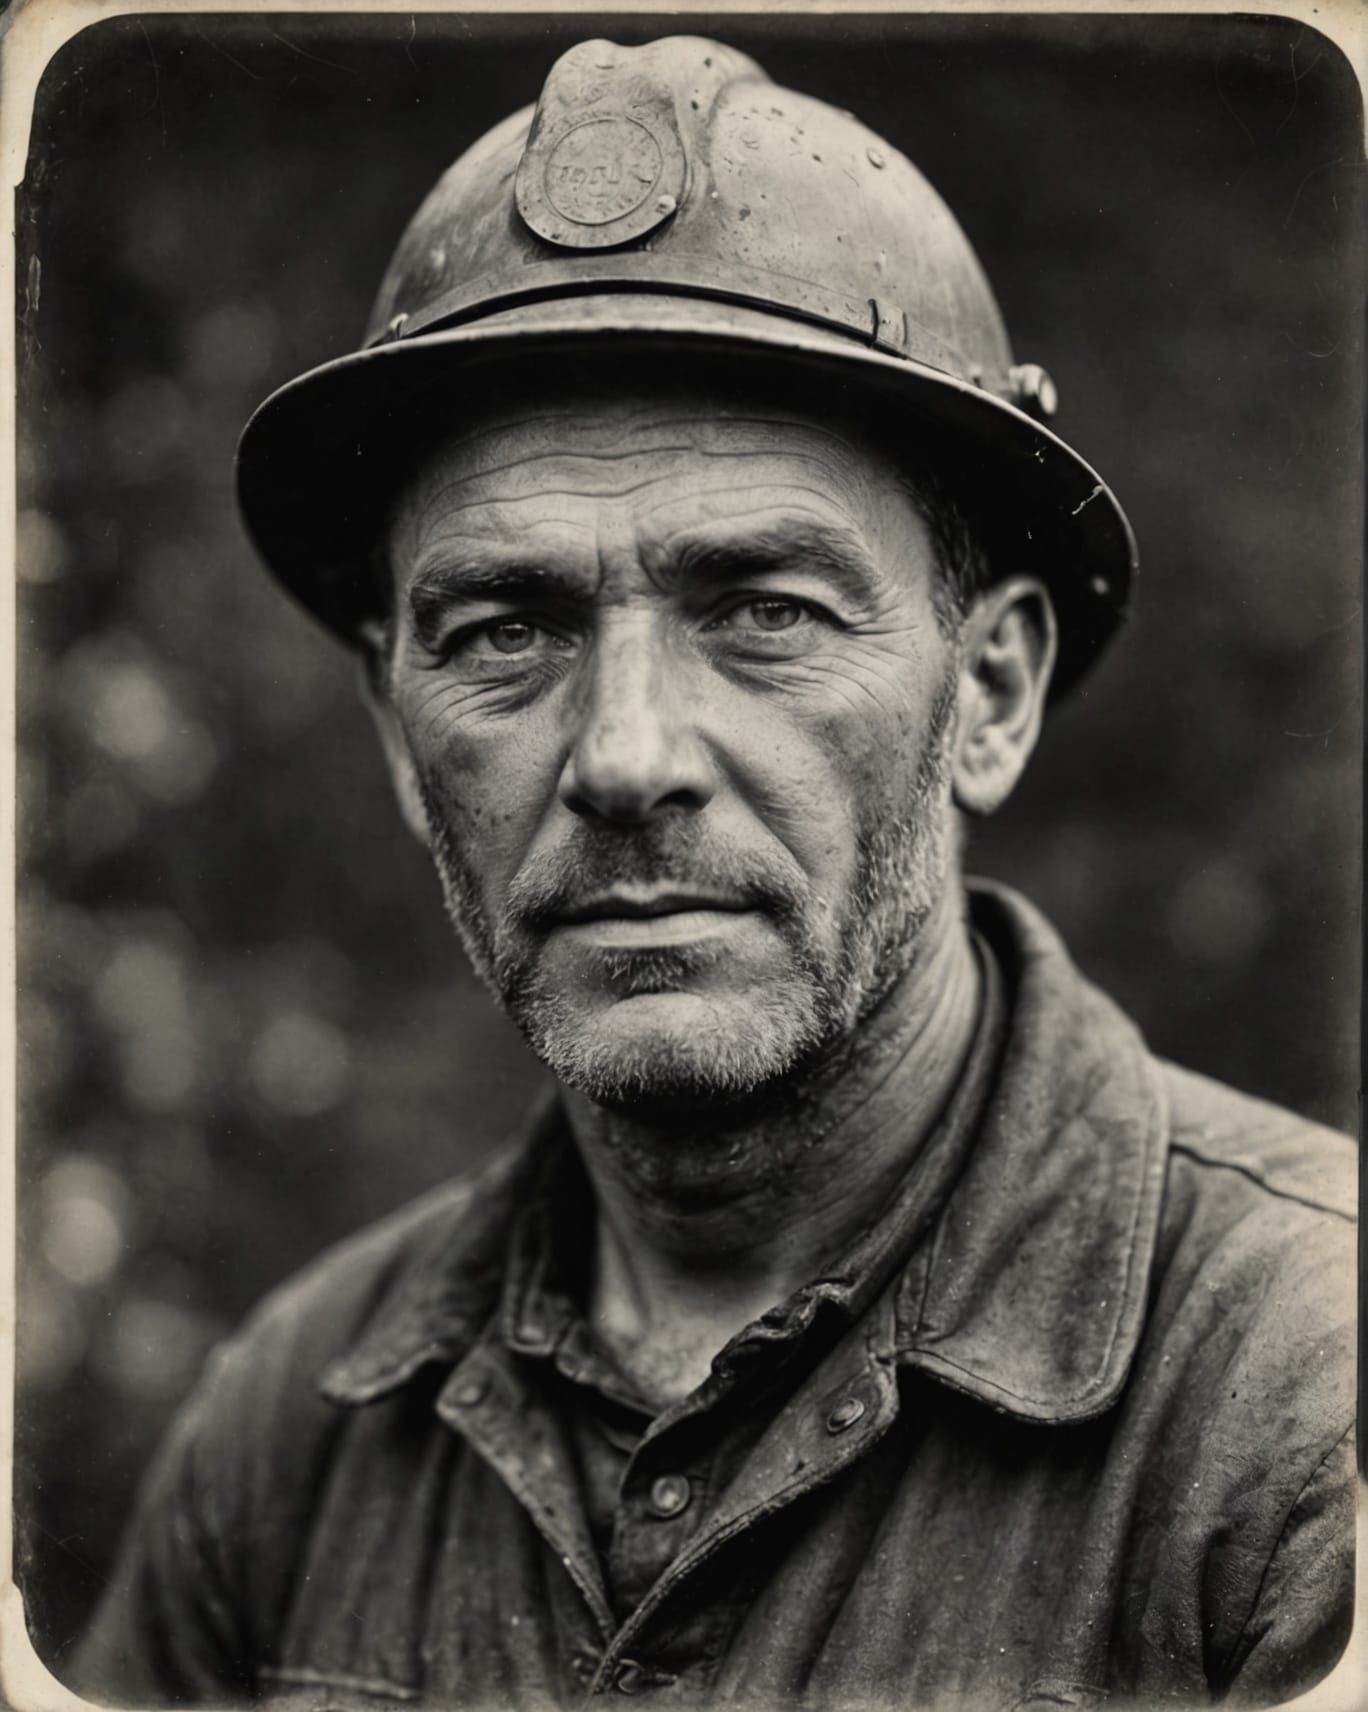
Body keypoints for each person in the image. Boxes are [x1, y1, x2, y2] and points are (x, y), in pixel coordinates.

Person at [71, 35, 1354, 1712]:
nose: (624, 756)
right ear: (399, 739)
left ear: (990, 693)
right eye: (506, 631)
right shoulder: (293, 1431)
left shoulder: (1302, 1399)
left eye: (765, 611)